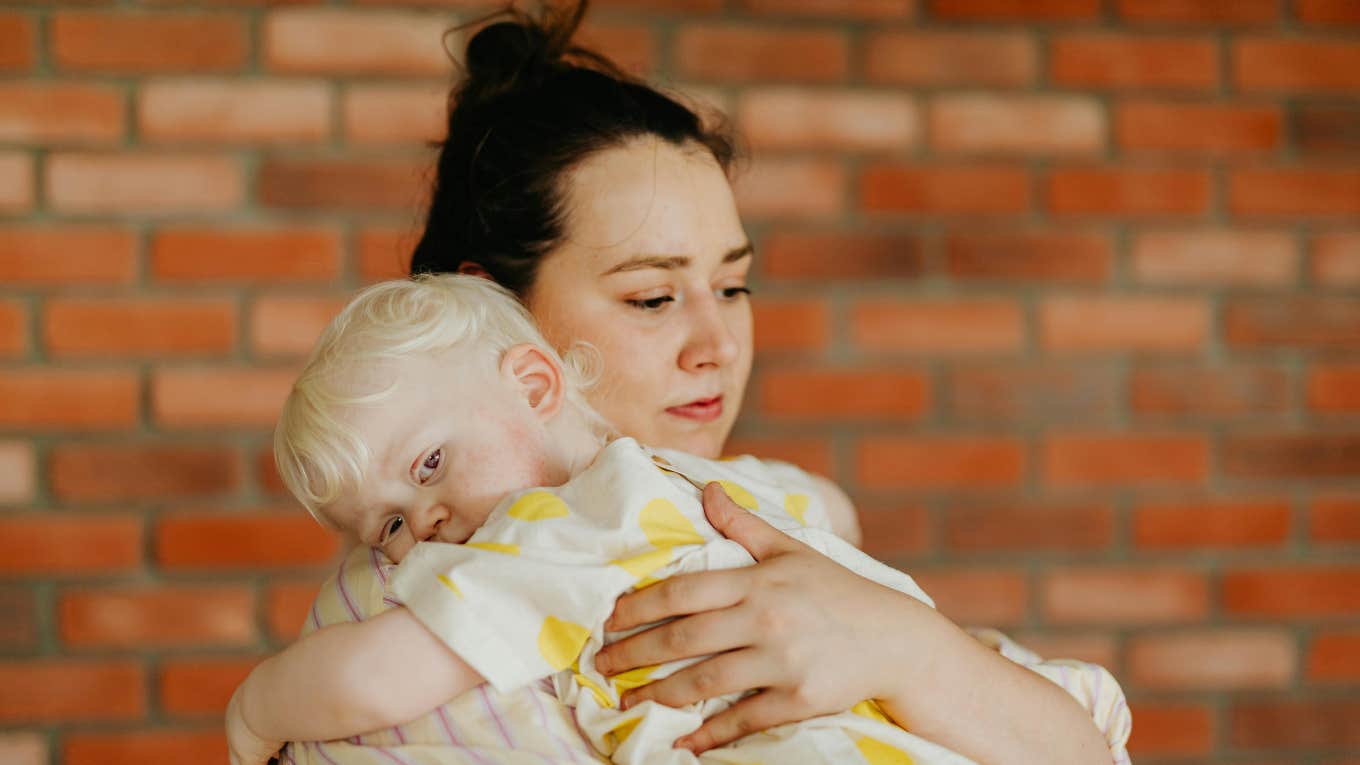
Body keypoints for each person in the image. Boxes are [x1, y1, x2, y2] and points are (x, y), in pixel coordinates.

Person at [238, 2, 1130, 764]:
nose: (718, 343)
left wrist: (910, 651)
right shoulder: (418, 597)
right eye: (654, 295)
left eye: (734, 286)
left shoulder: (779, 516)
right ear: (504, 325)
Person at [229, 273, 1011, 765]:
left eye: (430, 464)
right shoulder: (675, 483)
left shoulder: (542, 533)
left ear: (535, 386)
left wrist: (253, 710)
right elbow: (822, 504)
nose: (425, 524)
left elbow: (372, 679)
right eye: (387, 528)